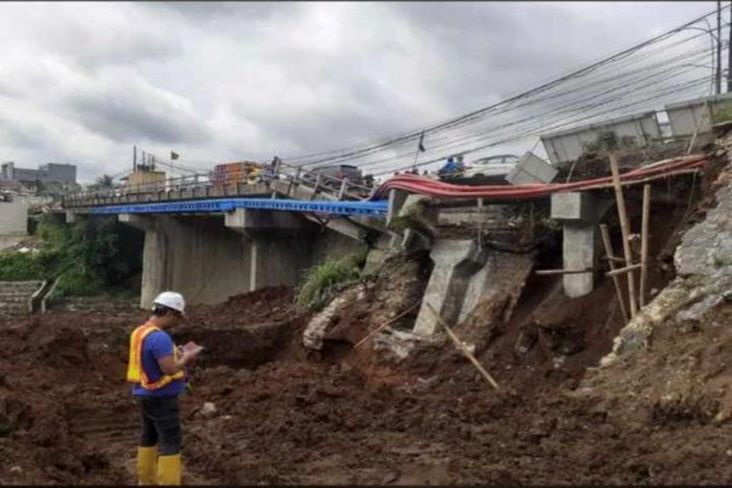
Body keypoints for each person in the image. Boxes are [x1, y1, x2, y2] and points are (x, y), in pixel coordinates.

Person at [127, 291, 202, 485]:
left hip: (144, 393)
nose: (177, 322)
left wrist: (174, 353)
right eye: (177, 317)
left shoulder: (140, 332)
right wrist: (186, 358)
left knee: (148, 435)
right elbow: (169, 369)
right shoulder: (160, 338)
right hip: (161, 397)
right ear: (169, 313)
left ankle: (146, 481)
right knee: (170, 441)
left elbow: (148, 359)